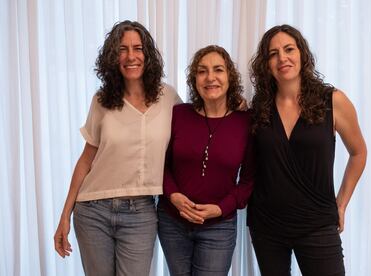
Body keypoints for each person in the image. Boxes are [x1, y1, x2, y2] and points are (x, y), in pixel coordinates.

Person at [53, 20, 180, 276]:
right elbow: (86, 159)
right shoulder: (102, 99)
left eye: (137, 48)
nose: (131, 56)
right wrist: (65, 215)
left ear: (147, 54)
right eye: (122, 49)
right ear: (113, 56)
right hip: (92, 211)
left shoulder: (168, 97)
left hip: (141, 213)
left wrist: (234, 106)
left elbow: (196, 127)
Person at [247, 24, 367, 276]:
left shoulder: (333, 101)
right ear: (266, 63)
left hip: (317, 223)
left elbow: (358, 152)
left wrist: (341, 204)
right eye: (273, 53)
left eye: (289, 49)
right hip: (267, 225)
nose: (282, 58)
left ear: (302, 53)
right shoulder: (259, 107)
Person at [157, 45, 255, 276]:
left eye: (218, 70)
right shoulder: (178, 114)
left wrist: (220, 209)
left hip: (218, 227)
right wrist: (173, 196)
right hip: (172, 220)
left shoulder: (246, 122)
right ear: (194, 79)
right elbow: (161, 164)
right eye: (202, 71)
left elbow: (249, 180)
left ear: (229, 77)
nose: (210, 77)